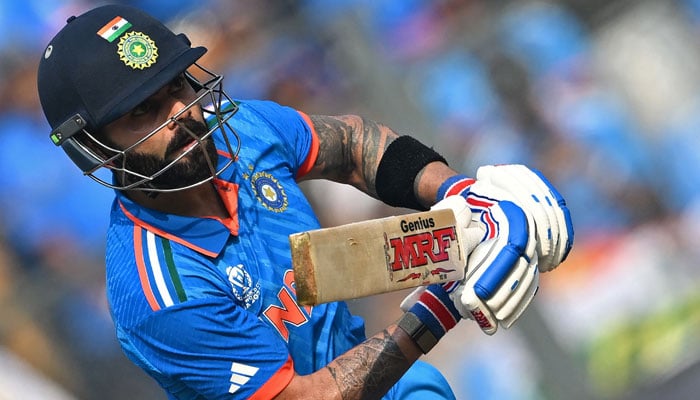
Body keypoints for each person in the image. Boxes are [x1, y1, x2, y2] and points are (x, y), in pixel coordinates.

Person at [37, 4, 573, 400]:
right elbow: (307, 397)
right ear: (96, 148)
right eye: (143, 112)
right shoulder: (158, 294)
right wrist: (444, 303)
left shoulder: (237, 130)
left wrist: (462, 196)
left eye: (178, 85)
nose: (182, 113)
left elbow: (355, 147)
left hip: (384, 380)